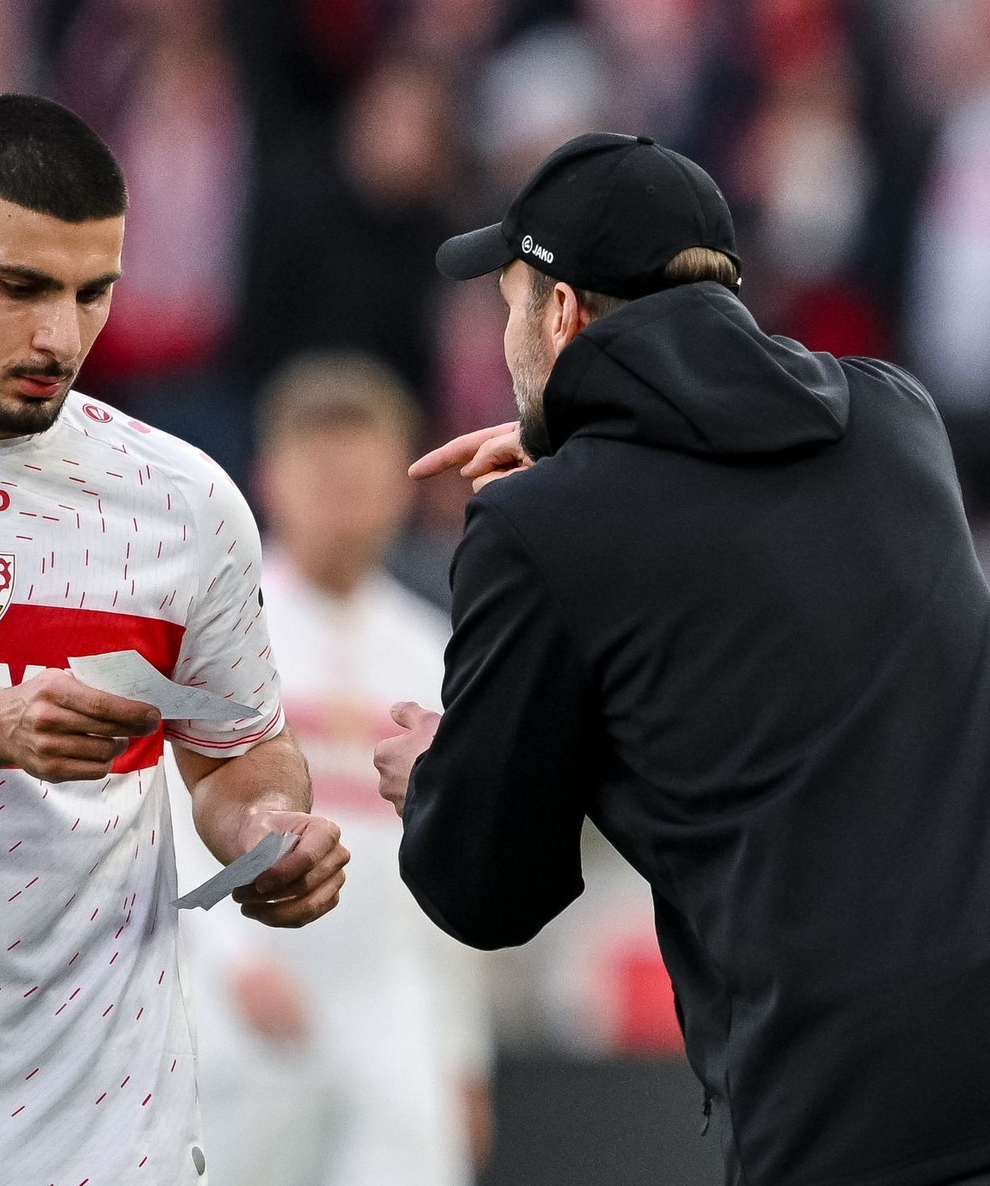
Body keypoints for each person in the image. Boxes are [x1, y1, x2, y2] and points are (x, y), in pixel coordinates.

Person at [373, 131, 990, 1186]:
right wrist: (584, 448)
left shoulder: (538, 530)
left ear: (560, 312)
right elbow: (736, 525)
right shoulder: (899, 421)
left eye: (512, 299)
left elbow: (485, 889)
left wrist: (436, 773)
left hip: (840, 1109)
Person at [0, 94, 348, 1186]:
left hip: (112, 1136)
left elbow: (239, 750)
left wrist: (270, 831)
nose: (62, 336)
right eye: (22, 287)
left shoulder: (181, 500)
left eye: (95, 293)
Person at [173, 352, 492, 1186]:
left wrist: (461, 1050)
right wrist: (228, 961)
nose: (344, 499)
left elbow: (452, 863)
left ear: (401, 484)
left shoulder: (433, 652)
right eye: (323, 476)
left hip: (390, 1004)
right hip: (249, 996)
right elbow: (162, 818)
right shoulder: (223, 629)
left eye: (363, 476)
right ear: (270, 479)